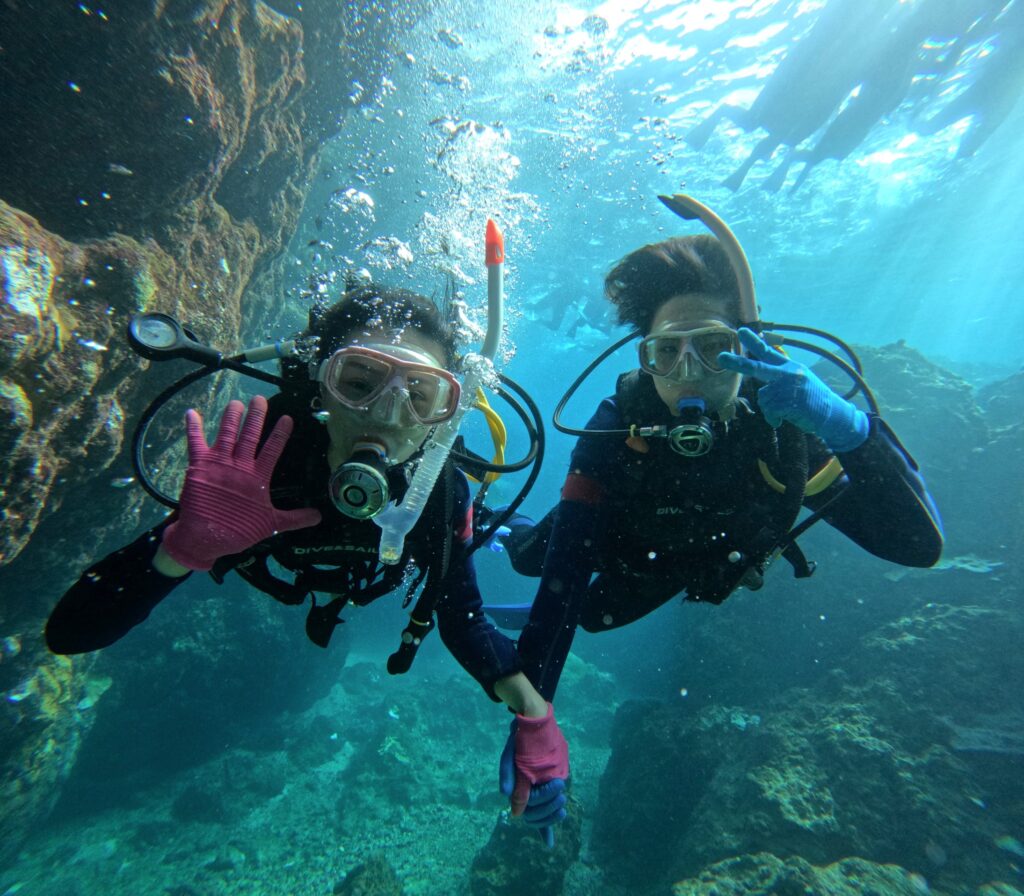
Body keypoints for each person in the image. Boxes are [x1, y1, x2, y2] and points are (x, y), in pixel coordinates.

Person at [45, 283, 569, 839]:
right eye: (359, 382)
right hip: (280, 567)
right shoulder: (262, 461)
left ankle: (510, 531)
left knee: (487, 533)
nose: (388, 416)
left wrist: (535, 711)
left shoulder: (439, 495)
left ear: (445, 412)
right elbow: (70, 633)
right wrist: (181, 549)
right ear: (321, 384)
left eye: (420, 394)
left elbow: (463, 618)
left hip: (361, 570)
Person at [502, 228, 943, 830]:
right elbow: (564, 575)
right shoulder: (616, 429)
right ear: (645, 359)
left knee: (589, 616)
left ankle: (517, 604)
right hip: (624, 545)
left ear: (749, 348)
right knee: (533, 563)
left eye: (713, 347)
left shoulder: (788, 431)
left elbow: (917, 546)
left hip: (696, 567)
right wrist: (534, 722)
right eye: (665, 353)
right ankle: (505, 527)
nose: (687, 374)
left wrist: (847, 427)